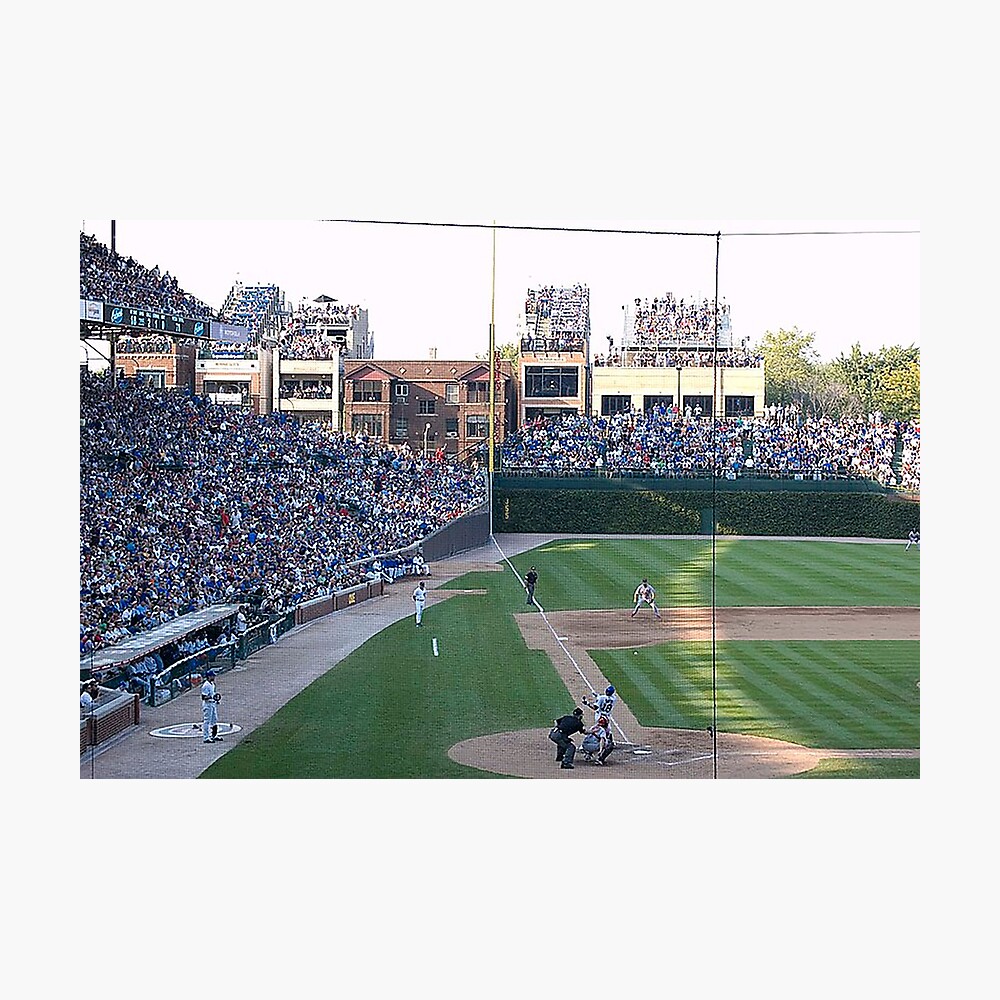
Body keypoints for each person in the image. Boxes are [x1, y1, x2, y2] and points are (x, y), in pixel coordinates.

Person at [201, 669, 222, 743]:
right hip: (207, 705)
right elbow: (203, 697)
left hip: (213, 704)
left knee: (214, 720)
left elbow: (213, 694)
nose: (214, 677)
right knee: (207, 721)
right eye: (212, 675)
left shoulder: (212, 684)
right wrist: (211, 697)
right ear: (209, 676)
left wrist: (216, 699)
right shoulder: (205, 685)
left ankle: (214, 735)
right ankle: (206, 737)